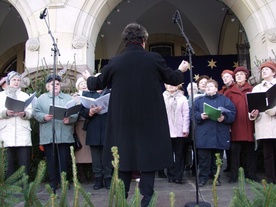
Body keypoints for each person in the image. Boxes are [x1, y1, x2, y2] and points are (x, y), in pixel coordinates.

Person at [82, 23, 189, 206]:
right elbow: (174, 79)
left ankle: (122, 201)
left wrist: (87, 78)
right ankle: (146, 201)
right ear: (144, 41)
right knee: (148, 159)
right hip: (149, 121)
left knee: (123, 158)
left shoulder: (116, 62)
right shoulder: (154, 59)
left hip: (123, 122)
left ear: (125, 41)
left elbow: (96, 84)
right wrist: (182, 70)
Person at [33, 74, 78, 192]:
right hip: (49, 135)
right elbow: (36, 113)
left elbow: (74, 113)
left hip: (64, 135)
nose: (56, 86)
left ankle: (64, 182)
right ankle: (53, 183)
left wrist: (70, 119)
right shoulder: (41, 98)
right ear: (48, 87)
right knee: (51, 161)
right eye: (53, 84)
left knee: (64, 160)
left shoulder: (68, 98)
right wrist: (44, 117)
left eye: (58, 84)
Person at [194, 79, 236, 187]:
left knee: (217, 159)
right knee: (203, 159)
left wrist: (224, 117)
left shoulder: (225, 100)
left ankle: (216, 178)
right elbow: (192, 114)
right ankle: (202, 179)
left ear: (216, 89)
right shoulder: (199, 101)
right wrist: (200, 116)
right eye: (207, 86)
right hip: (204, 134)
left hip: (219, 133)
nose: (208, 88)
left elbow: (232, 113)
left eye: (211, 86)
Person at [224, 66, 260, 183]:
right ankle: (234, 175)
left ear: (246, 76)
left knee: (250, 152)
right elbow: (225, 110)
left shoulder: (252, 90)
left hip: (250, 125)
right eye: (237, 75)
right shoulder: (229, 92)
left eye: (241, 74)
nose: (239, 76)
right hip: (235, 126)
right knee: (235, 152)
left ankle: (251, 173)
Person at [0, 71, 33, 178]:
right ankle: (9, 191)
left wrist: (24, 114)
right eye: (14, 80)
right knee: (7, 165)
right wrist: (5, 113)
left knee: (24, 164)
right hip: (6, 133)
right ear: (8, 81)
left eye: (18, 80)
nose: (16, 82)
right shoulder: (1, 96)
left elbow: (31, 112)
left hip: (22, 132)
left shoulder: (24, 95)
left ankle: (25, 189)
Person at [79, 86, 113, 190]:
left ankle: (108, 178)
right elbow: (82, 112)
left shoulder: (110, 93)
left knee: (107, 155)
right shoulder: (88, 95)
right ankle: (98, 179)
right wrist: (90, 112)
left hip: (107, 128)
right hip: (94, 129)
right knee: (96, 157)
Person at [249, 61, 276, 184]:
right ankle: (271, 179)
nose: (264, 71)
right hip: (264, 125)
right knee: (268, 154)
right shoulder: (257, 88)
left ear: (274, 72)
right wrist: (253, 114)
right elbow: (252, 106)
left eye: (267, 69)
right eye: (262, 69)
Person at [163, 83, 190, 184]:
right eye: (169, 84)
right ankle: (170, 175)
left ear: (178, 86)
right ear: (165, 85)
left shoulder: (182, 98)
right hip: (166, 131)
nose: (171, 86)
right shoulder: (162, 97)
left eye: (174, 85)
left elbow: (186, 114)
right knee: (169, 154)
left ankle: (179, 176)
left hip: (179, 130)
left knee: (179, 154)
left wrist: (185, 129)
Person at [74, 77, 92, 184]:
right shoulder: (75, 97)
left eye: (85, 83)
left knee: (90, 152)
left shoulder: (92, 95)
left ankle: (92, 174)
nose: (84, 85)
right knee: (80, 152)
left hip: (90, 125)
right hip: (79, 126)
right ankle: (82, 176)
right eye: (81, 83)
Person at [218, 69, 234, 173]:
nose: (225, 79)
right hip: (223, 122)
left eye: (227, 76)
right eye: (223, 77)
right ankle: (228, 166)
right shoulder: (221, 92)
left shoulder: (234, 89)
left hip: (232, 119)